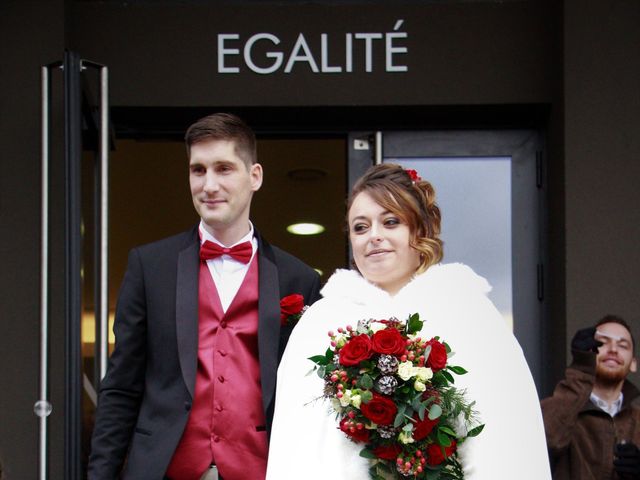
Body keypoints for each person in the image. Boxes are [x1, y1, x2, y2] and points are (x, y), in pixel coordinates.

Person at [266, 163, 551, 479]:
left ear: (420, 229)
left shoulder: (469, 312)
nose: (374, 236)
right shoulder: (321, 322)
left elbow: (505, 441)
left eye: (390, 222)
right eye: (360, 227)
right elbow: (296, 444)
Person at [88, 113, 321, 480]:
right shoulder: (150, 267)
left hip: (263, 470)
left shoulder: (299, 278)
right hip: (166, 469)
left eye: (224, 168)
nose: (209, 184)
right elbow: (121, 387)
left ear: (254, 176)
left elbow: (310, 399)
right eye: (198, 171)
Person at [541, 315, 640, 479]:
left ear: (634, 363)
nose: (613, 349)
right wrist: (581, 368)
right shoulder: (564, 411)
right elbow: (542, 441)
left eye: (622, 345)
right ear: (589, 351)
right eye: (603, 342)